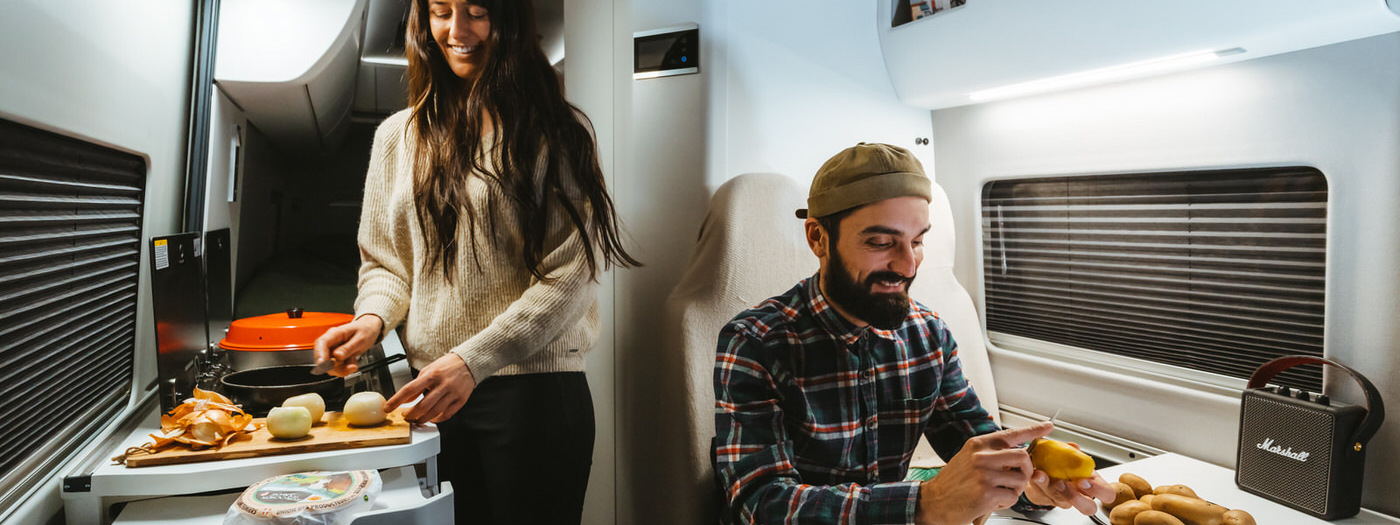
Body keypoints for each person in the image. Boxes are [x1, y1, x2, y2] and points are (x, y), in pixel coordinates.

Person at [312, 1, 638, 523]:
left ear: (508, 20)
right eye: (441, 11)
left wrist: (472, 361)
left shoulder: (558, 132)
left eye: (477, 11)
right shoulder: (397, 136)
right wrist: (370, 321)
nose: (456, 31)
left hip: (530, 393)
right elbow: (387, 265)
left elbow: (571, 276)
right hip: (432, 394)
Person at [712, 143, 1115, 524]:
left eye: (918, 241)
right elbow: (759, 502)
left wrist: (1030, 484)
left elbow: (976, 445)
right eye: (881, 241)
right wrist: (925, 505)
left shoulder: (928, 334)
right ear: (818, 238)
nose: (907, 265)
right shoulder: (756, 341)